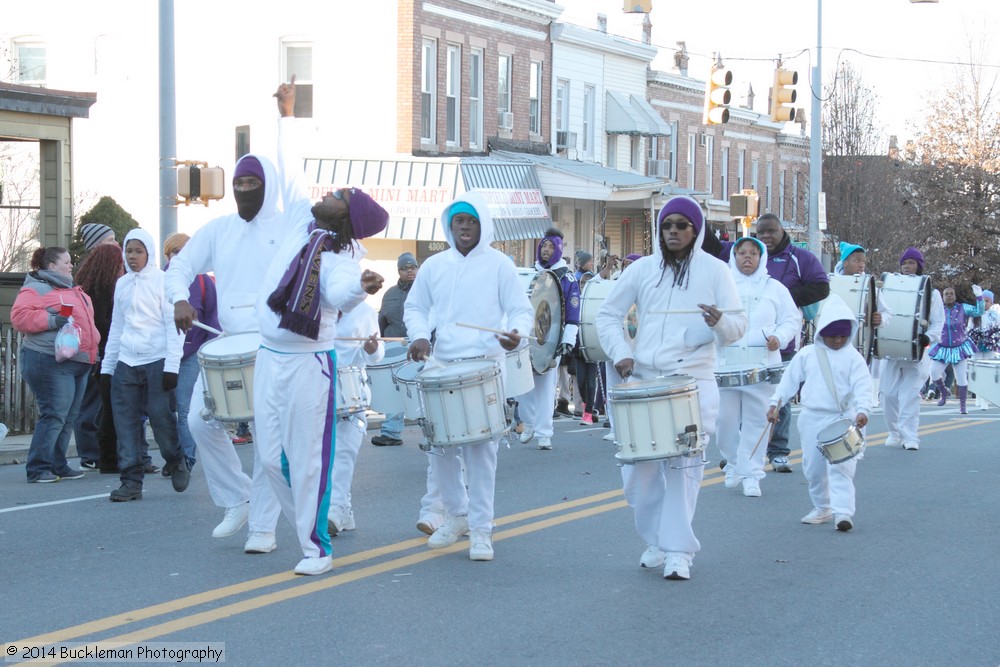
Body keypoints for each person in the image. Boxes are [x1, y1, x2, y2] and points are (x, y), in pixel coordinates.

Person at [253, 77, 387, 575]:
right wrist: (287, 115)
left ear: (345, 218)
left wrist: (363, 287)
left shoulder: (344, 258)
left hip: (310, 365)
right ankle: (304, 526)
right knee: (270, 460)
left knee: (307, 460)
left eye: (337, 195)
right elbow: (291, 167)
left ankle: (316, 547)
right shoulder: (299, 226)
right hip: (269, 358)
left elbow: (338, 295)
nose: (327, 193)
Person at [596, 195, 747, 581]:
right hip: (644, 381)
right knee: (637, 474)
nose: (673, 232)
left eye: (681, 225)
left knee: (683, 469)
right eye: (667, 225)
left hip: (692, 383)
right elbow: (609, 314)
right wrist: (620, 353)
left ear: (696, 230)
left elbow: (737, 327)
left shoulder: (715, 271)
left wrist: (718, 323)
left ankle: (679, 551)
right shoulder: (643, 270)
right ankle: (657, 539)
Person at [165, 107, 285, 550]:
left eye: (252, 184)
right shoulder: (219, 229)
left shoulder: (288, 227)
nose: (244, 190)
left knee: (268, 439)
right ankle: (238, 498)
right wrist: (179, 297)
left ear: (267, 186)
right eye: (238, 184)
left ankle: (264, 528)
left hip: (276, 346)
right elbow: (180, 266)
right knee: (199, 422)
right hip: (227, 344)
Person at [405, 192, 534, 561]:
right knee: (440, 450)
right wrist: (417, 334)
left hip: (483, 366)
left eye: (472, 221)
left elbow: (520, 311)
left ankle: (481, 529)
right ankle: (458, 515)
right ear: (450, 225)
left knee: (481, 454)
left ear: (483, 225)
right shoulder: (434, 266)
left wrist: (515, 334)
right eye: (459, 221)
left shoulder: (500, 265)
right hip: (443, 366)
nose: (464, 227)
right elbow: (416, 306)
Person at [767, 294, 872, 532]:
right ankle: (823, 507)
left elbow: (863, 386)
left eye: (843, 336)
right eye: (833, 335)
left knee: (841, 468)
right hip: (811, 417)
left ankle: (843, 512)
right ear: (822, 331)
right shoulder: (806, 354)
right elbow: (788, 381)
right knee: (813, 468)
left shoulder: (853, 357)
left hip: (842, 418)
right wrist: (775, 403)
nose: (837, 340)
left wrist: (863, 410)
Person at [100, 229, 190, 501]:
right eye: (129, 251)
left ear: (149, 253)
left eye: (138, 251)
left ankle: (175, 459)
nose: (133, 256)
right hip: (126, 361)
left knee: (161, 418)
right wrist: (107, 367)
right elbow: (117, 326)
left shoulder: (164, 282)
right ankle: (130, 482)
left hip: (157, 359)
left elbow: (173, 324)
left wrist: (171, 366)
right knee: (125, 423)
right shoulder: (122, 284)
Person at [745, 213, 829, 472]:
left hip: (783, 344)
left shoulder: (800, 258)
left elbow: (821, 287)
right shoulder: (748, 256)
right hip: (746, 346)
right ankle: (743, 450)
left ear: (782, 231)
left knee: (780, 397)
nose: (766, 237)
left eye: (771, 231)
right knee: (744, 399)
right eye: (761, 232)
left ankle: (778, 450)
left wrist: (787, 297)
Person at [717, 237, 801, 498]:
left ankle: (752, 474)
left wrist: (780, 338)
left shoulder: (774, 288)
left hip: (762, 366)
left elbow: (791, 319)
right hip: (725, 365)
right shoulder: (721, 286)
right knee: (724, 421)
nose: (747, 257)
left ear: (761, 257)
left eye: (753, 253)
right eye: (742, 252)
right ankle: (732, 463)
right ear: (734, 255)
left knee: (756, 420)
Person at [11, 247, 100, 483]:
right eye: (67, 262)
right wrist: (51, 320)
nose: (71, 266)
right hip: (48, 360)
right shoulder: (37, 287)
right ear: (51, 266)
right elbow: (19, 317)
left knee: (67, 417)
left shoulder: (71, 289)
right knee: (54, 414)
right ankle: (38, 468)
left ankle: (58, 464)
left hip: (77, 362)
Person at [518, 232, 580, 449]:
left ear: (559, 250)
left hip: (551, 339)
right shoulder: (530, 274)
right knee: (523, 385)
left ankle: (544, 433)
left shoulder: (566, 277)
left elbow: (573, 313)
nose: (545, 250)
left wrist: (567, 340)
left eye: (550, 247)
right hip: (527, 337)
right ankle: (528, 423)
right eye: (543, 246)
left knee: (545, 387)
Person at [163, 232, 219, 472]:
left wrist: (210, 353)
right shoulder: (159, 278)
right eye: (175, 252)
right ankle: (173, 457)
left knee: (185, 408)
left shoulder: (204, 281)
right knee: (163, 410)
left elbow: (214, 319)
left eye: (184, 252)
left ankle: (187, 458)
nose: (179, 258)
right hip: (161, 355)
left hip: (192, 355)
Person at [881, 247, 944, 451]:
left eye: (911, 263)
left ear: (919, 266)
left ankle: (911, 437)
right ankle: (894, 431)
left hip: (917, 352)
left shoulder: (931, 292)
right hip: (891, 347)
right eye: (904, 263)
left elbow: (938, 322)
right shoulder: (890, 287)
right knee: (888, 393)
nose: (907, 266)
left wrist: (928, 337)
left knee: (909, 395)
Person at [329, 303, 384, 533]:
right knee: (323, 456)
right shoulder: (313, 307)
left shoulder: (366, 312)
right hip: (317, 385)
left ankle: (334, 511)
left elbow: (376, 357)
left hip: (350, 389)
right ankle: (344, 509)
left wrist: (371, 350)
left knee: (344, 452)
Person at [73, 243, 125, 474]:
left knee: (90, 403)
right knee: (95, 404)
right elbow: (102, 322)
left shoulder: (84, 282)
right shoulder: (104, 287)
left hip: (89, 349)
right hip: (100, 350)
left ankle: (90, 453)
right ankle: (91, 453)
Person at [371, 252, 418, 447]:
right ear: (398, 271)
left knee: (421, 390)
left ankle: (436, 430)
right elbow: (381, 320)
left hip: (418, 346)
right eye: (404, 268)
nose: (409, 271)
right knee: (394, 389)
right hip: (393, 347)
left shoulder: (425, 290)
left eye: (412, 267)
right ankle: (391, 432)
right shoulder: (389, 293)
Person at [927, 284, 984, 414]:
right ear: (942, 297)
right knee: (934, 372)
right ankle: (943, 392)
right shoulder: (937, 309)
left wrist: (979, 296)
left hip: (959, 347)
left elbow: (979, 311)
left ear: (955, 296)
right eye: (946, 294)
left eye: (951, 293)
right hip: (942, 347)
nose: (949, 296)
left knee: (961, 378)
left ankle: (963, 406)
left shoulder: (963, 308)